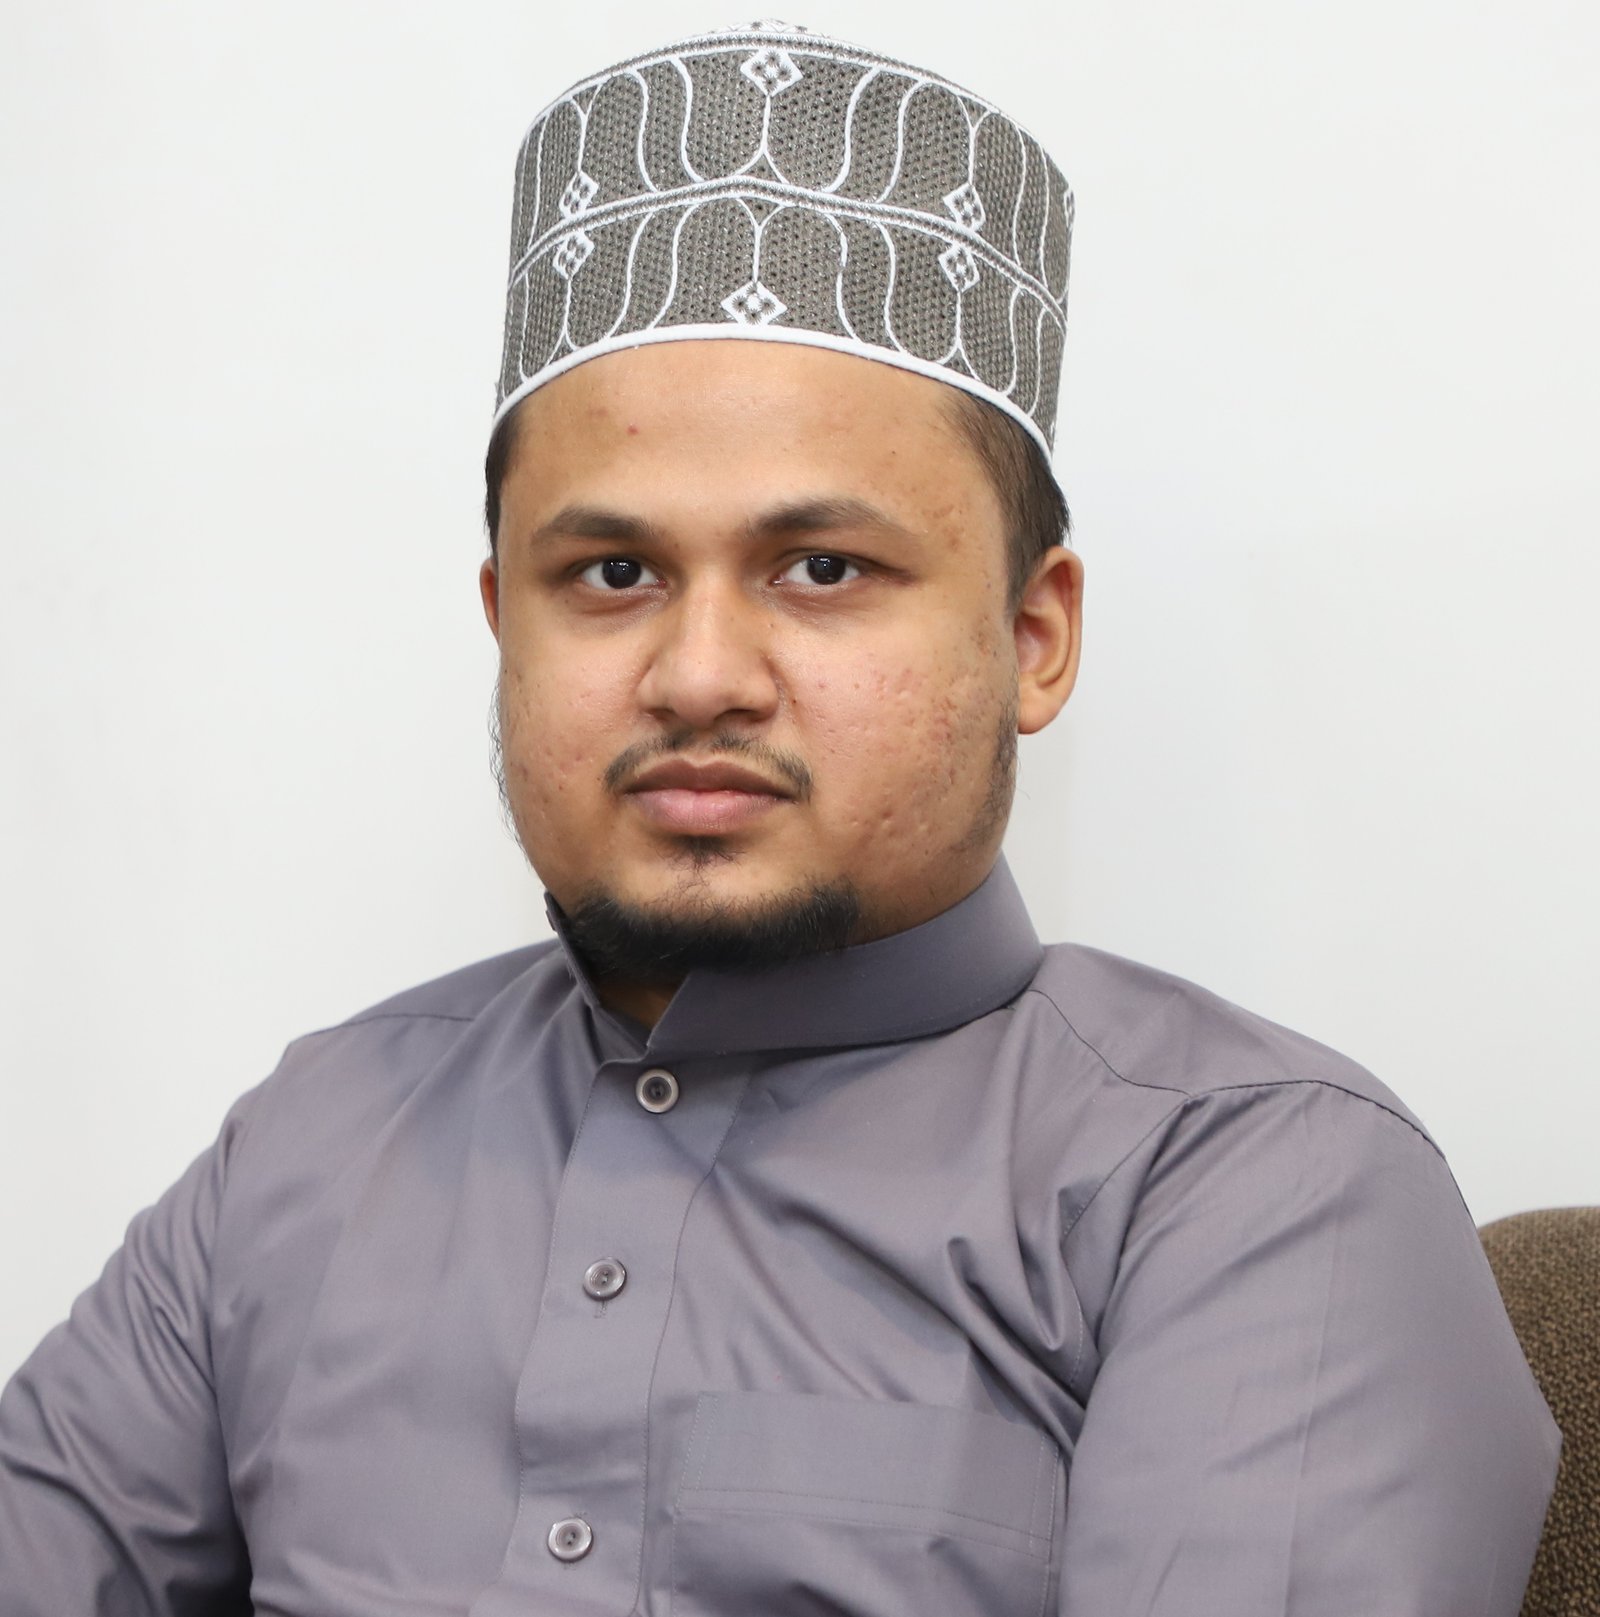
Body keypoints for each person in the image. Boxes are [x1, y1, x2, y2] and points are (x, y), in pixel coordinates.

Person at [0, 20, 1560, 1616]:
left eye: (822, 569)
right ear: (504, 621)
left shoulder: (1247, 1183)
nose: (698, 675)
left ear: (1034, 637)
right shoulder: (314, 1143)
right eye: (612, 574)